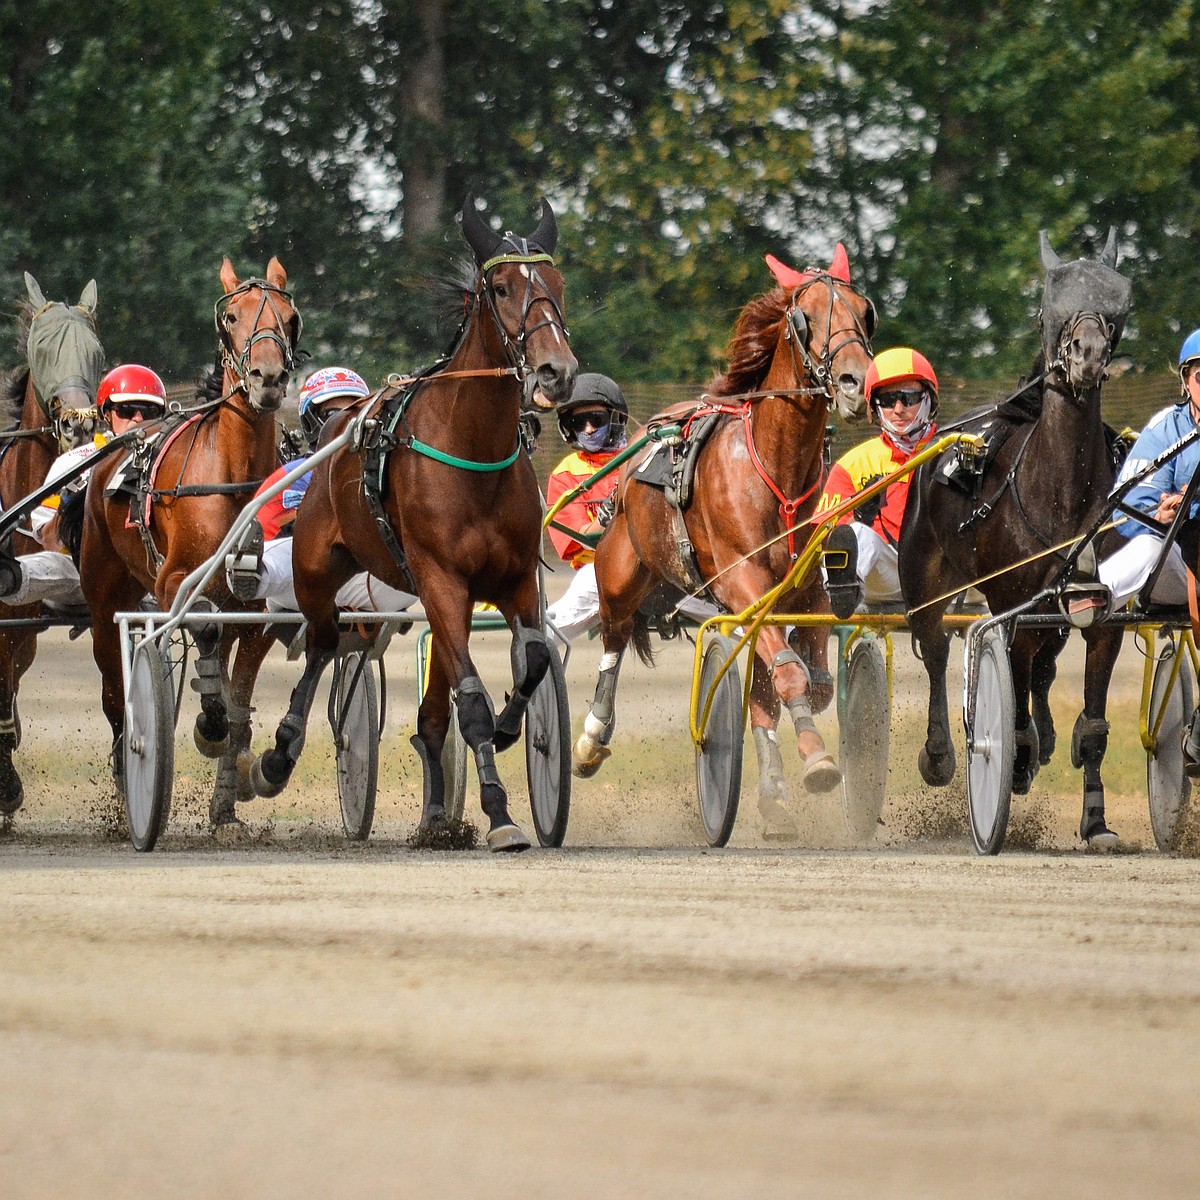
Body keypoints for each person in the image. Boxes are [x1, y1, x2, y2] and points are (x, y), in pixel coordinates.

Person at [226, 366, 417, 614]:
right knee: (298, 551)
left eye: (355, 412)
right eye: (334, 414)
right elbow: (262, 528)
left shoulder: (383, 471)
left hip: (370, 581)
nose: (346, 423)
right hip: (299, 584)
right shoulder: (294, 474)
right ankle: (252, 575)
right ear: (311, 421)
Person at [543, 374, 719, 642]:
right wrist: (608, 521)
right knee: (545, 637)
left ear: (615, 420)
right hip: (600, 572)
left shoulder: (647, 455)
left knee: (738, 603)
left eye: (597, 420)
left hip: (664, 569)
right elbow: (580, 538)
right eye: (579, 422)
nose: (589, 429)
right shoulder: (565, 473)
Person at [0, 364, 167, 606]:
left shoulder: (170, 464)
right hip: (82, 571)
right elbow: (49, 540)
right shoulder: (74, 461)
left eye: (149, 411)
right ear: (106, 414)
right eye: (127, 409)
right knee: (44, 566)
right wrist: (71, 505)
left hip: (151, 570)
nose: (138, 419)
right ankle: (10, 578)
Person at [815, 347, 940, 618]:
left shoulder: (951, 449)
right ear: (874, 407)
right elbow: (823, 535)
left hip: (945, 575)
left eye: (908, 398)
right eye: (887, 399)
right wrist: (857, 516)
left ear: (928, 399)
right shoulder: (853, 465)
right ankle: (843, 595)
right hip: (888, 575)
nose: (898, 409)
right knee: (859, 535)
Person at [1095, 328, 1200, 613]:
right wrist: (1159, 514)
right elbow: (1128, 507)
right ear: (1185, 380)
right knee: (1150, 545)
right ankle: (1090, 598)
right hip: (1184, 569)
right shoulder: (1166, 429)